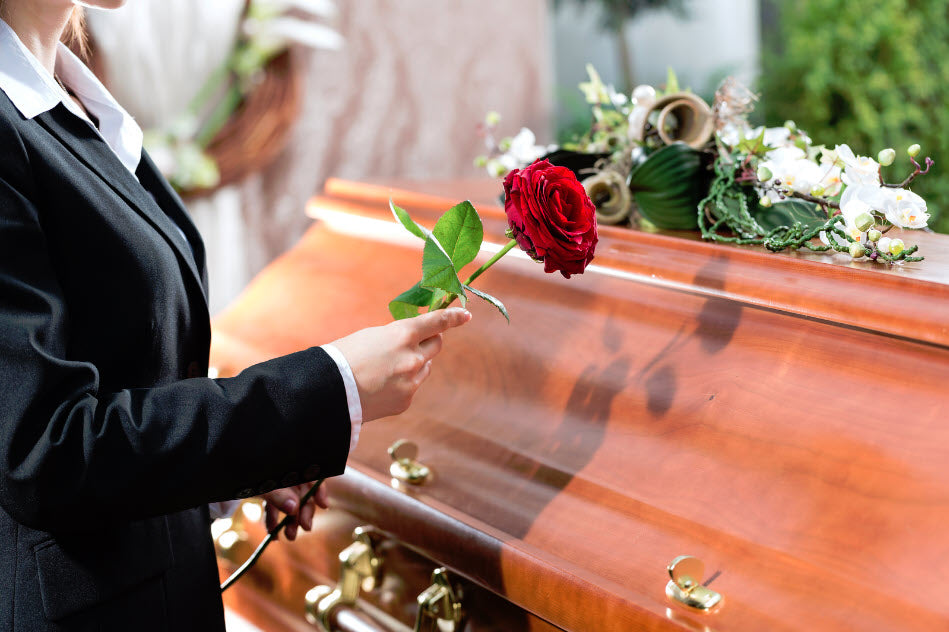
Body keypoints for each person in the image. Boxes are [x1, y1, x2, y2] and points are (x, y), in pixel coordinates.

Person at [0, 1, 471, 630]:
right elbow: (46, 455)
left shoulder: (71, 98)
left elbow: (128, 383)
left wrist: (239, 467)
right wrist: (332, 386)